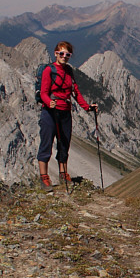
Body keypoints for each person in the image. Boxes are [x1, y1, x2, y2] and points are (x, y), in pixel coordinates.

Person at [38, 41, 96, 189]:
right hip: (50, 112)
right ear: (56, 53)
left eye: (67, 54)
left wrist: (88, 107)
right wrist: (48, 101)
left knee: (64, 143)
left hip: (65, 112)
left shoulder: (69, 71)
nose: (64, 57)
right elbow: (44, 92)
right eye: (61, 53)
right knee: (46, 143)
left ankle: (63, 174)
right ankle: (44, 177)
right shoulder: (48, 71)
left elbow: (76, 92)